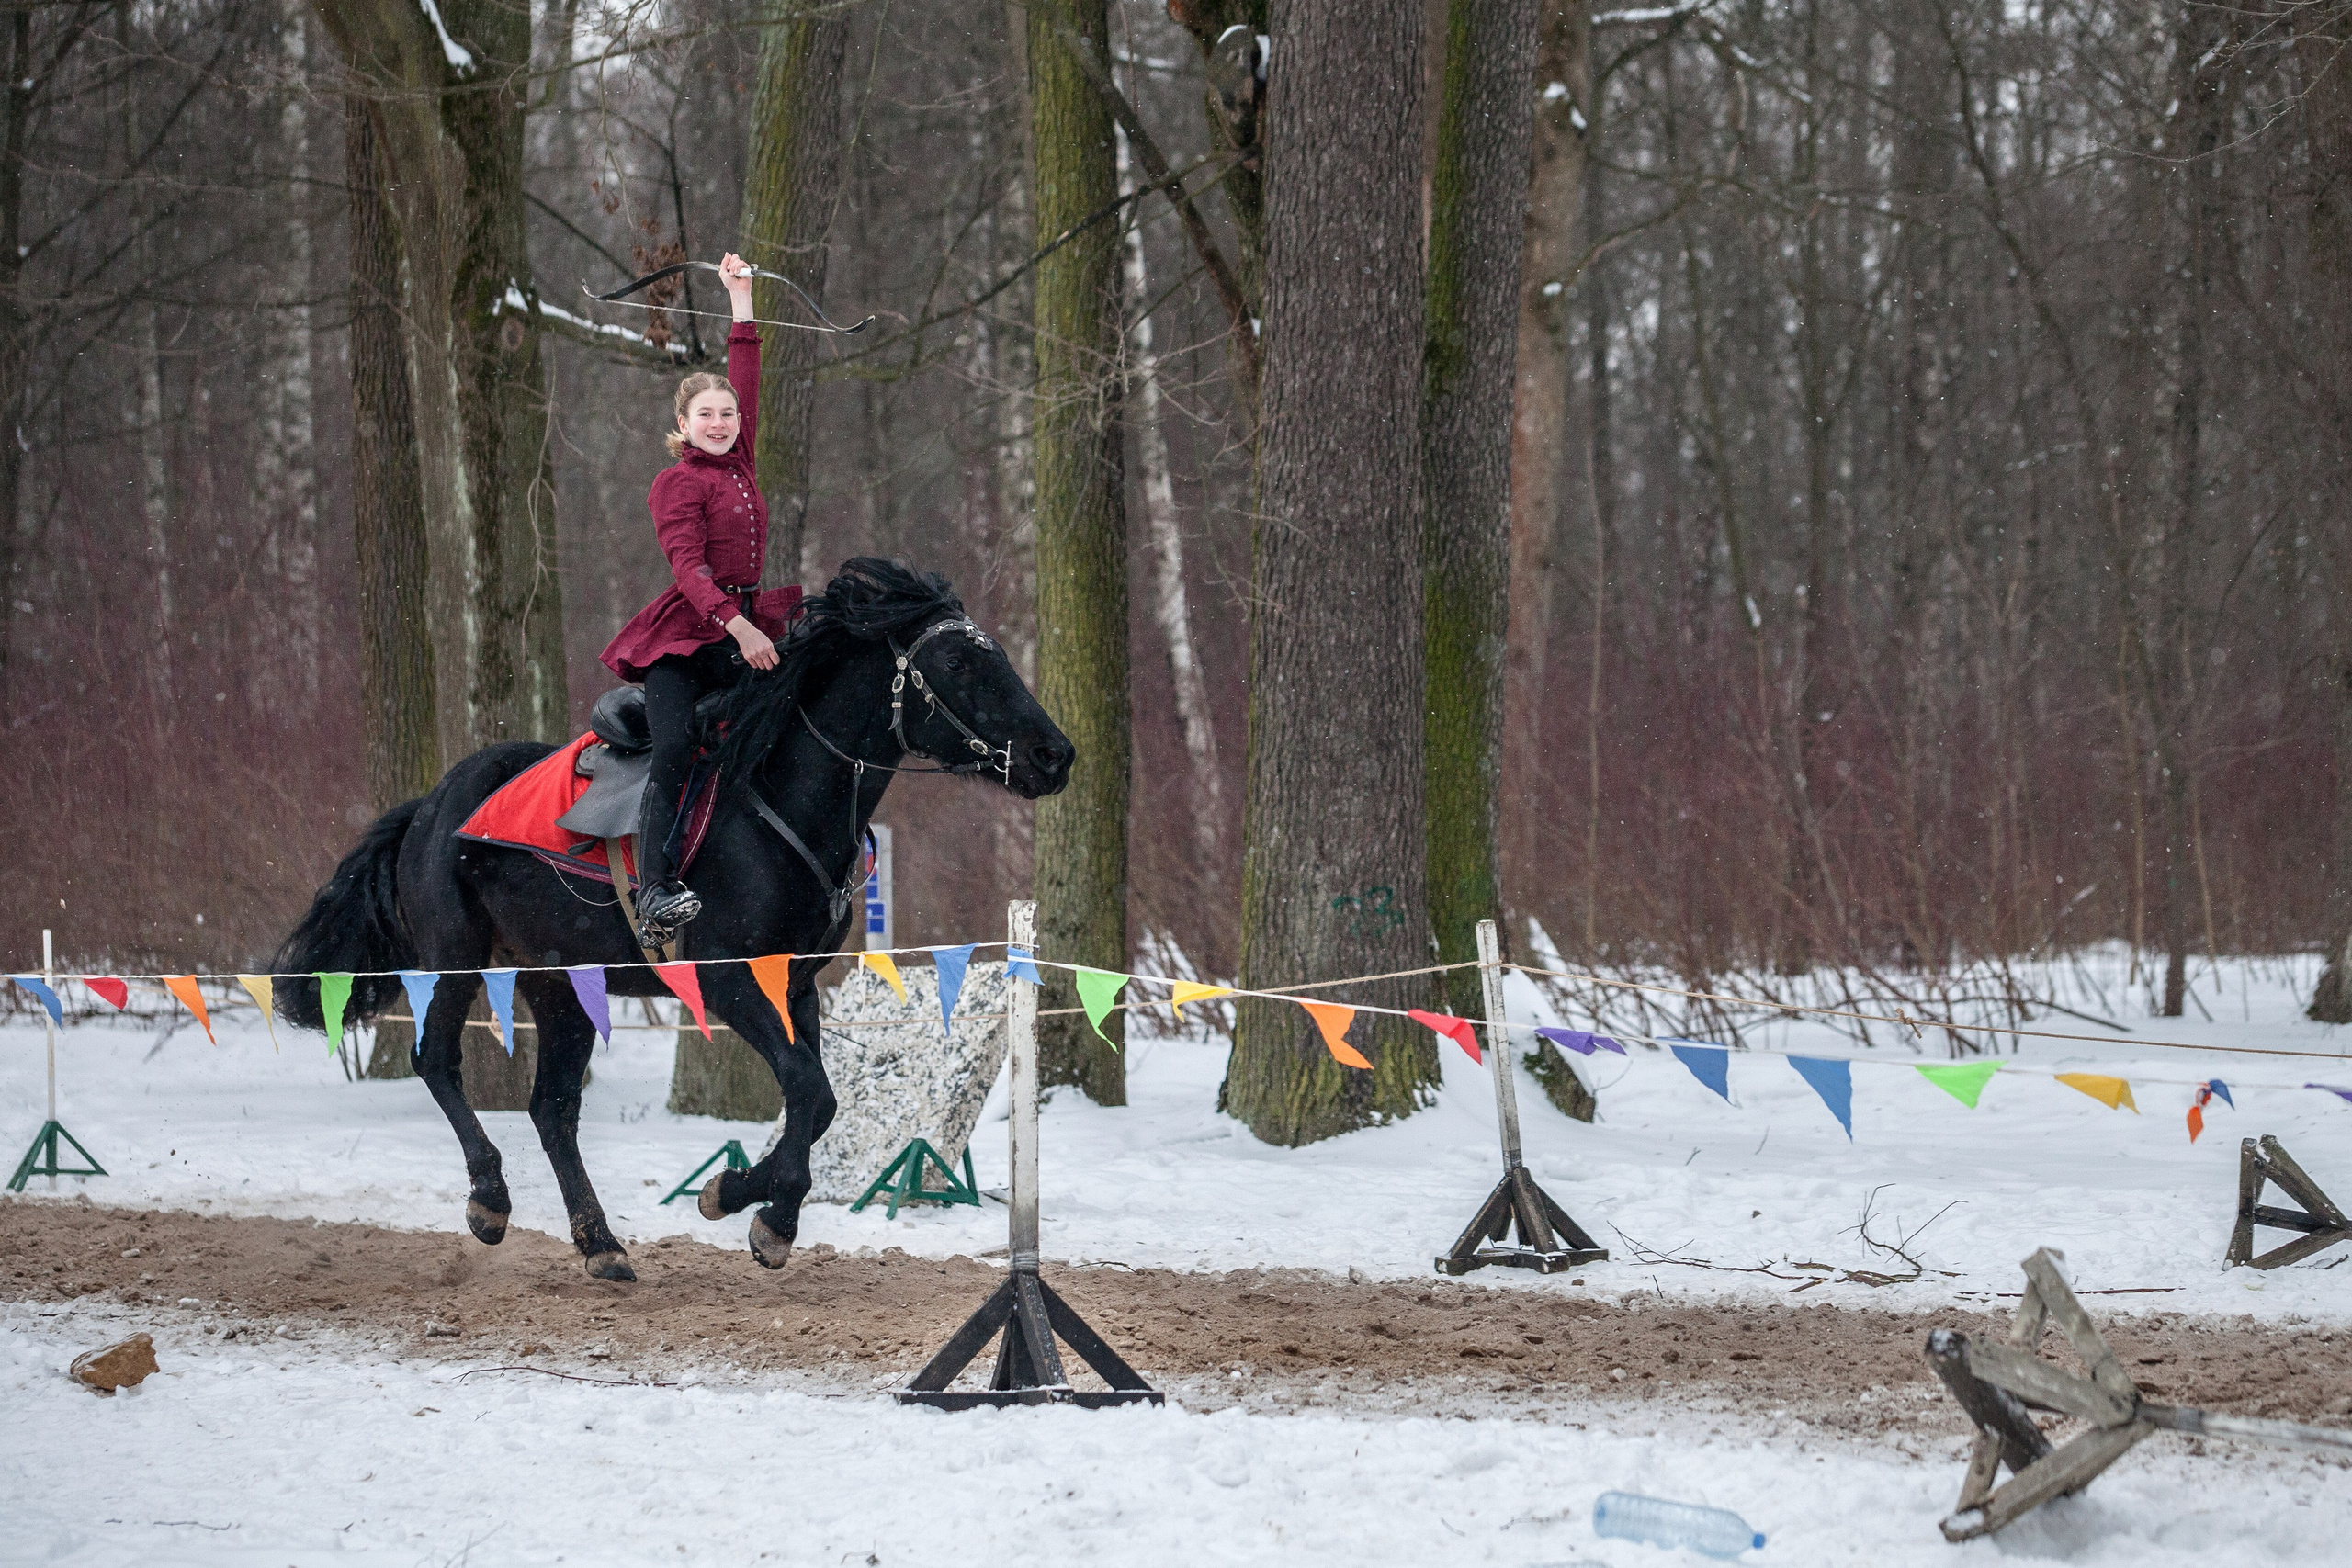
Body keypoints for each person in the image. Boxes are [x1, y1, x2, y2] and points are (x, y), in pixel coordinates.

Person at [597, 254, 800, 948]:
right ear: (683, 425)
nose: (719, 421)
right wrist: (738, 625)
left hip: (747, 627)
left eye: (727, 413)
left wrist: (740, 300)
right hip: (687, 641)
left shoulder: (740, 464)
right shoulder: (677, 483)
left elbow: (745, 373)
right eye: (705, 415)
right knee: (678, 748)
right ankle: (654, 889)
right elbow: (687, 568)